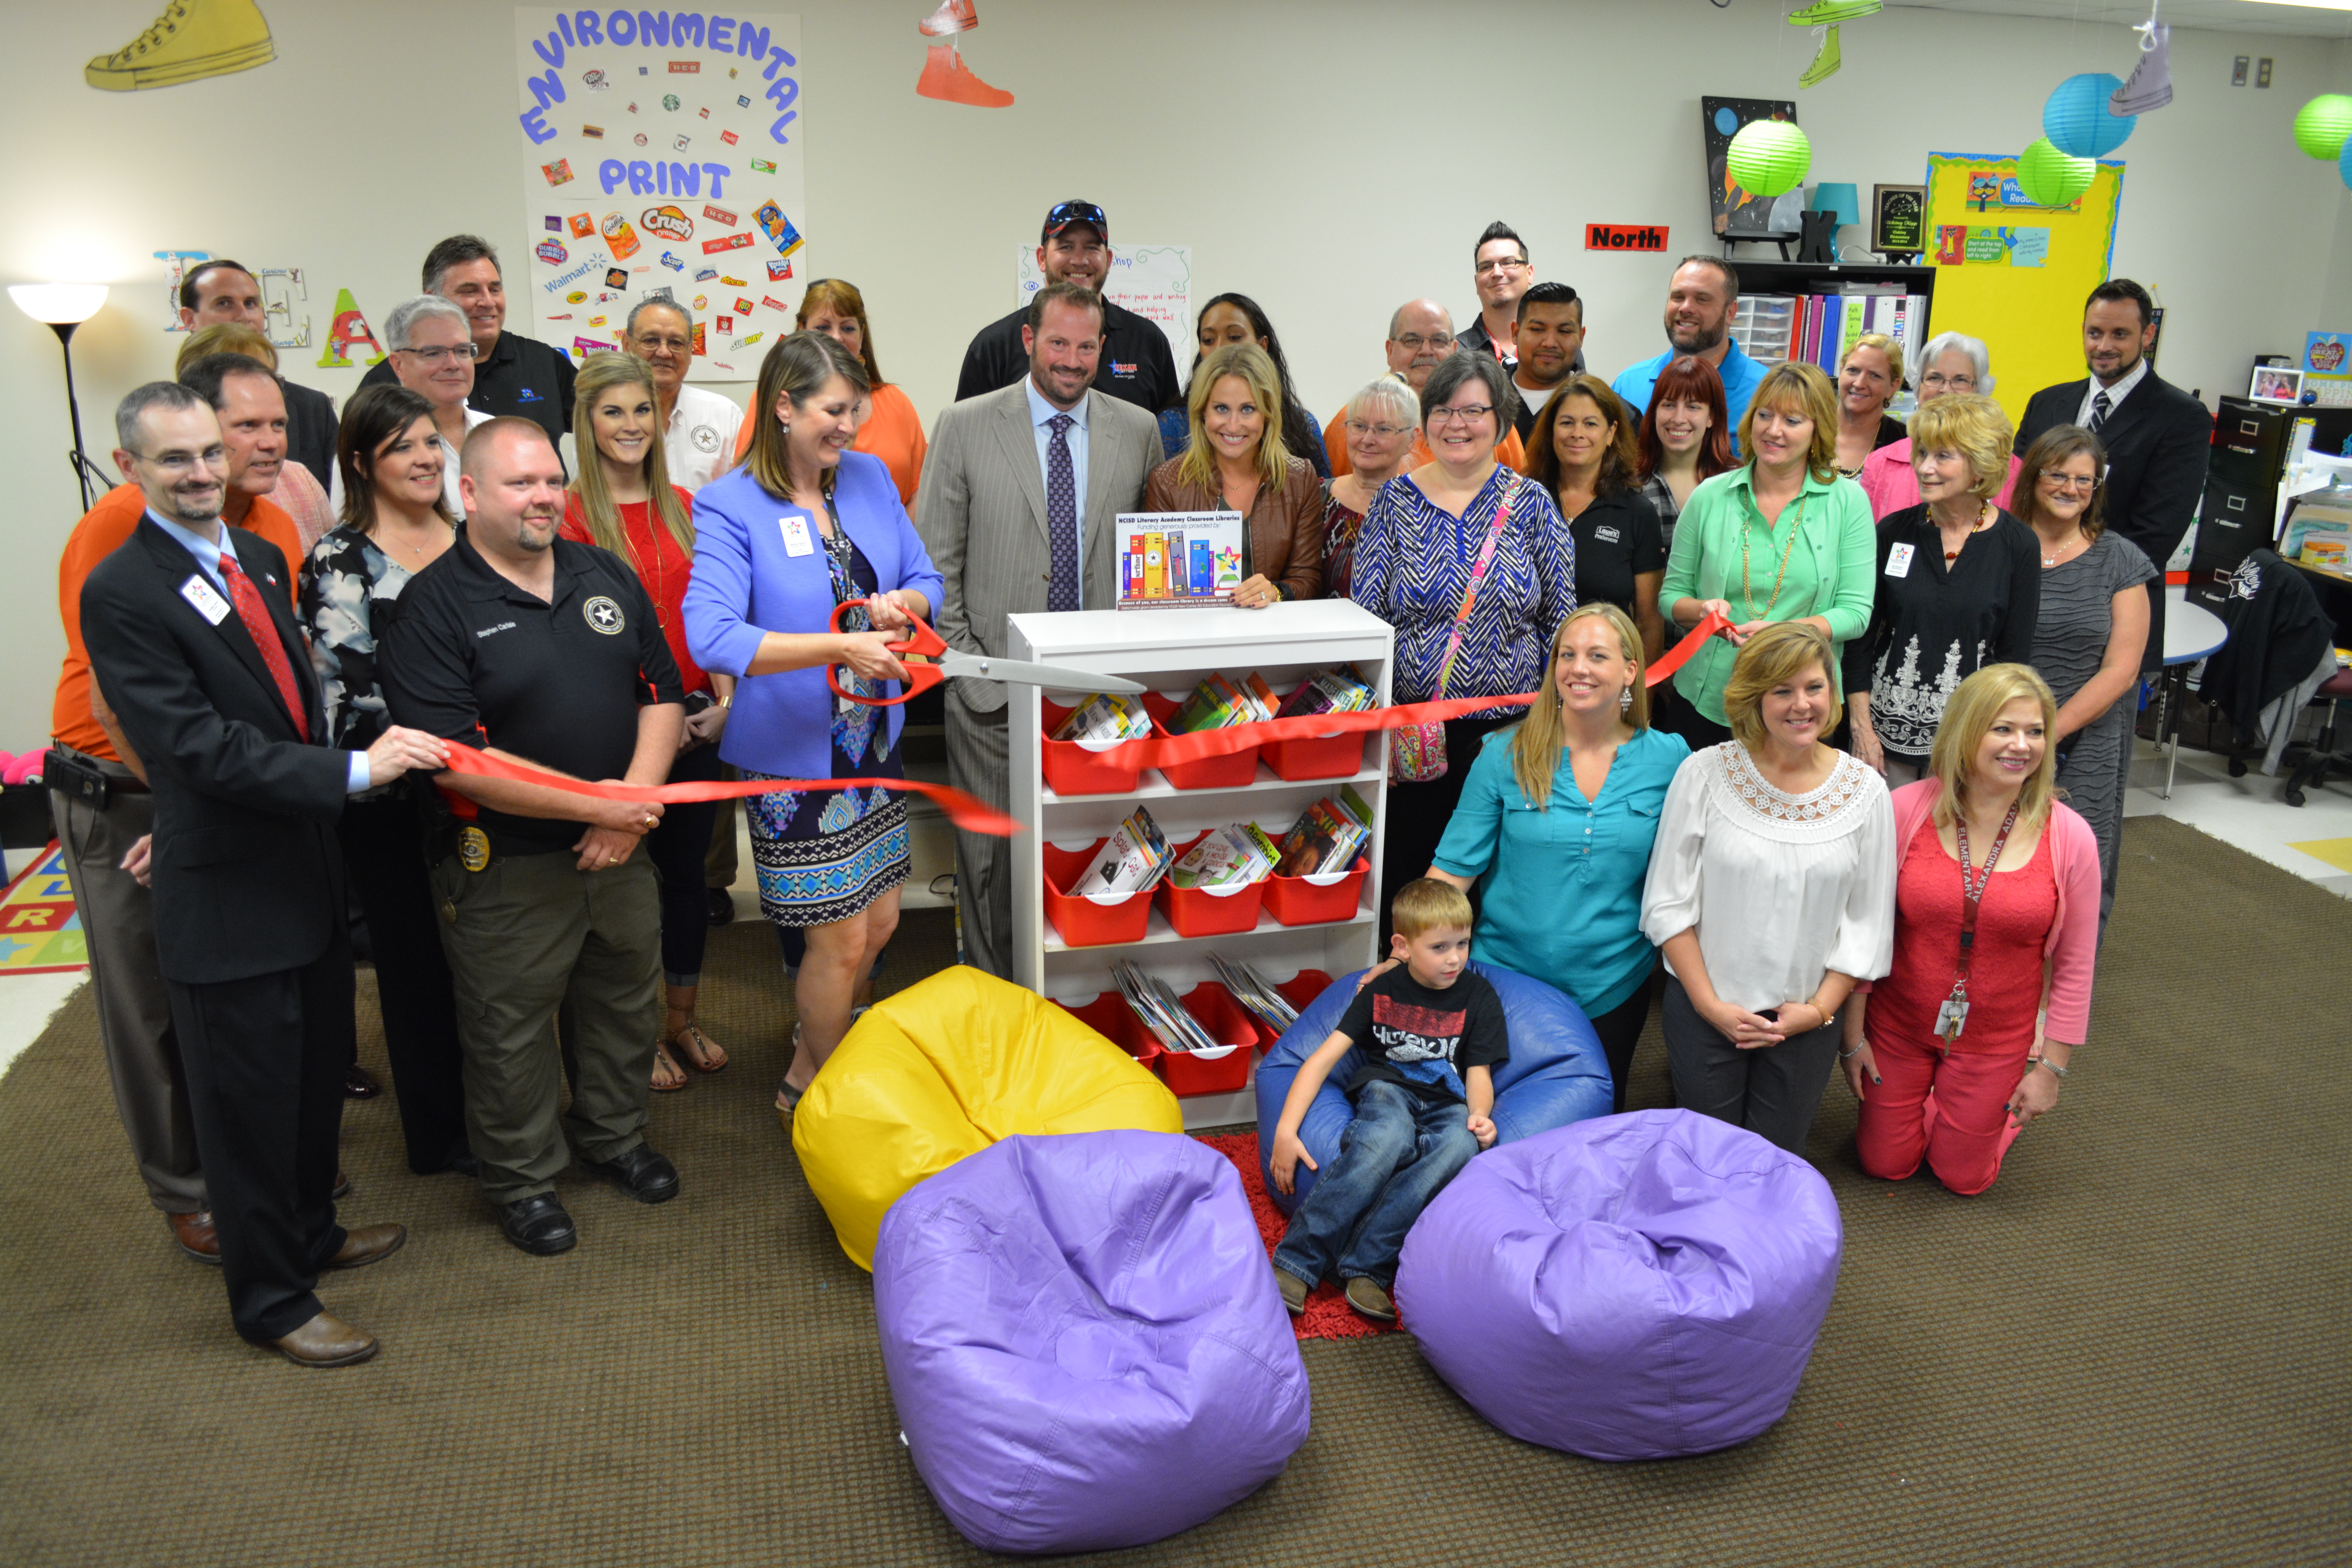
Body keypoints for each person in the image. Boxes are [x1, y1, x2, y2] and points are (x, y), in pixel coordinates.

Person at [82, 381, 445, 1365]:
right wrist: (362, 769)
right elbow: (193, 746)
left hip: (305, 874)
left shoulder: (254, 552)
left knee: (310, 1080)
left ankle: (311, 1235)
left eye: (210, 451)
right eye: (176, 460)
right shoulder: (120, 591)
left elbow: (289, 702)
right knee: (243, 1106)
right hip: (229, 893)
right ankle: (274, 1299)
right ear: (131, 471)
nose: (202, 471)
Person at [379, 419, 687, 1257]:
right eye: (521, 483)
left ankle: (615, 1136)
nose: (545, 496)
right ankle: (521, 1178)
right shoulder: (433, 606)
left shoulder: (603, 572)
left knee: (624, 1003)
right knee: (509, 1029)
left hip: (622, 846)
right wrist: (600, 807)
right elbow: (457, 760)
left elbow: (662, 691)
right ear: (470, 492)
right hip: (507, 866)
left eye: (552, 480)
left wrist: (633, 802)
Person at [45, 364, 309, 1266]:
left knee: (241, 992)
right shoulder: (122, 529)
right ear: (137, 461)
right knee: (153, 1004)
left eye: (275, 425)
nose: (260, 445)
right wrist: (181, 811)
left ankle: (266, 1176)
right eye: (246, 428)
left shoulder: (263, 527)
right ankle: (186, 1190)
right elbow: (121, 691)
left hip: (224, 789)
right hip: (123, 789)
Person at [686, 332, 944, 1116]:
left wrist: (906, 608)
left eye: (855, 410)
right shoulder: (732, 503)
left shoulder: (864, 477)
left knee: (883, 920)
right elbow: (713, 634)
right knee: (835, 942)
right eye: (835, 411)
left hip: (870, 742)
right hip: (794, 757)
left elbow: (926, 576)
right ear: (785, 408)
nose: (850, 427)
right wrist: (841, 645)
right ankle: (840, 1102)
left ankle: (807, 1065)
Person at [912, 283, 1163, 978]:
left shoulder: (1136, 429)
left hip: (1096, 702)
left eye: (1088, 346)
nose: (1073, 360)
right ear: (1029, 341)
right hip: (992, 694)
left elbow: (1141, 562)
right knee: (990, 866)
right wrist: (972, 676)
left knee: (1086, 857)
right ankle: (997, 1001)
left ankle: (1075, 1004)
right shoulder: (964, 425)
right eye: (1059, 342)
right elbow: (938, 567)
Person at [297, 384, 474, 1178]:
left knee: (491, 959)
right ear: (363, 463)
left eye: (431, 442)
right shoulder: (339, 558)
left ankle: (509, 1110)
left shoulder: (473, 537)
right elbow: (348, 691)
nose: (425, 458)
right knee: (417, 968)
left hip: (490, 786)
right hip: (392, 799)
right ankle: (442, 1137)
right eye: (403, 446)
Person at [1842, 664, 2100, 1195]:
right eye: (2003, 728)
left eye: (2035, 732)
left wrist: (2051, 1069)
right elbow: (1866, 930)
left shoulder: (2070, 837)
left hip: (1996, 1038)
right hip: (1899, 1025)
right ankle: (1939, 1102)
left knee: (1964, 1178)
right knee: (1885, 1165)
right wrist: (1852, 1040)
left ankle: (1973, 1115)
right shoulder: (1903, 810)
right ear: (1966, 732)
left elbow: (2076, 965)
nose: (2021, 746)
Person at [1640, 622, 1895, 1156]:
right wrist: (1710, 1007)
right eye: (1782, 691)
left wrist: (1819, 1012)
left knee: (1772, 1163)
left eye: (1814, 687)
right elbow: (1667, 905)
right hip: (1706, 1010)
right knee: (1704, 1158)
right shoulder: (1703, 773)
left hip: (1806, 1019)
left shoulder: (1867, 793)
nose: (1801, 705)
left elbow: (1867, 923)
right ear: (1753, 698)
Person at [1430, 606, 1689, 1112]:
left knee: (1590, 1130)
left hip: (1613, 986)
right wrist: (1405, 956)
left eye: (1597, 656)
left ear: (1631, 670)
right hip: (1505, 981)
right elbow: (1452, 874)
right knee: (1492, 1124)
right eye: (1566, 655)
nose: (1579, 668)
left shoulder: (1671, 759)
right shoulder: (1503, 754)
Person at [558, 352, 734, 1094]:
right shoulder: (566, 515)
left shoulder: (690, 508)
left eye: (641, 412)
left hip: (695, 727)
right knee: (622, 891)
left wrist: (724, 704)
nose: (630, 426)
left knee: (685, 881)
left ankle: (679, 1017)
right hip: (615, 735)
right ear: (587, 422)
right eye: (612, 412)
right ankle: (632, 1033)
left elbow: (715, 617)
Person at [1351, 350, 1573, 936]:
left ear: (1499, 421)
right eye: (1444, 410)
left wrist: (1557, 721)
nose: (1458, 424)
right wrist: (1380, 726)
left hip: (1512, 738)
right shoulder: (1393, 505)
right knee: (1415, 883)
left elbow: (1561, 622)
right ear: (1425, 423)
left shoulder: (1532, 505)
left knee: (1502, 886)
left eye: (1473, 410)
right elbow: (1367, 627)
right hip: (1418, 739)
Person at [1266, 878, 1506, 1325]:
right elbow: (1319, 1062)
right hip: (1388, 1087)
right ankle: (1297, 1260)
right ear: (1404, 945)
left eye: (1463, 943)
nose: (1455, 957)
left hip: (1446, 1101)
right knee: (1387, 1138)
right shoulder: (1382, 991)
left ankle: (1368, 1265)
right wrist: (1286, 1130)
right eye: (1439, 947)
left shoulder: (1479, 996)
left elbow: (1479, 1073)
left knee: (1459, 1146)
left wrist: (1479, 1116)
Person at [1657, 361, 1876, 748]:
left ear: (1817, 430)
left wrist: (1784, 634)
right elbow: (1670, 597)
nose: (1773, 431)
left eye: (1792, 420)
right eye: (1765, 415)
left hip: (1805, 707)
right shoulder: (1710, 495)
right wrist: (1702, 611)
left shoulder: (1849, 502)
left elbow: (1856, 614)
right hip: (1712, 701)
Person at [2015, 278, 2212, 674]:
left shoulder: (2182, 417)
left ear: (2148, 334)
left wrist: (2068, 582)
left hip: (2109, 611)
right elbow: (2016, 498)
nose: (2104, 346)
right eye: (2095, 332)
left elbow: (2156, 533)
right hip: (2026, 597)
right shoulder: (2047, 402)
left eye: (2120, 334)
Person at [1846, 394, 2041, 784]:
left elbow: (2014, 658)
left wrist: (1993, 740)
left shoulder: (2018, 545)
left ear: (1980, 466)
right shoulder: (1892, 531)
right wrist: (1861, 728)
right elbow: (1861, 640)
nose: (1924, 467)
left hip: (1969, 740)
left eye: (1943, 456)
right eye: (1922, 453)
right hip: (1882, 739)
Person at [2016, 425, 2153, 931]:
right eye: (2058, 475)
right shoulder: (2001, 544)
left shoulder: (2120, 560)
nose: (2071, 489)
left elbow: (2123, 670)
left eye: (2085, 480)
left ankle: (2063, 996)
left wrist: (2047, 736)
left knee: (2074, 869)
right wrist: (2016, 735)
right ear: (2034, 476)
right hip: (1996, 729)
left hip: (2086, 739)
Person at [953, 200, 1180, 415]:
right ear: (1042, 258)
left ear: (1109, 260)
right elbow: (969, 440)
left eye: (1091, 248)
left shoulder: (1148, 341)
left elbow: (1174, 444)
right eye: (1066, 247)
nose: (1079, 260)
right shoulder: (992, 347)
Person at [1143, 342, 1322, 605]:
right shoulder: (1167, 483)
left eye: (1248, 409)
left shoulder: (1300, 478)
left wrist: (1276, 591)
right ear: (1202, 411)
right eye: (1222, 409)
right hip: (1196, 636)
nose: (1234, 425)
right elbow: (1155, 585)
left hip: (1274, 636)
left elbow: (1309, 579)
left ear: (1268, 413)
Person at [359, 235, 577, 446]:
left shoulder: (543, 361)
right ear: (432, 299)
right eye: (470, 291)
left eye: (495, 289)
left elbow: (600, 428)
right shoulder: (387, 379)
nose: (488, 301)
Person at [1523, 375, 1666, 666]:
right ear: (1551, 430)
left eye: (1590, 423)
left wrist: (1640, 701)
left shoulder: (1637, 513)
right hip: (1525, 681)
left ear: (1611, 432)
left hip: (1602, 680)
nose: (1578, 433)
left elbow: (1648, 623)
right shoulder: (1522, 502)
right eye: (1566, 422)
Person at [178, 258, 337, 492]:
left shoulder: (312, 408)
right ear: (189, 319)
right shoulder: (170, 414)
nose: (244, 316)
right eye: (224, 304)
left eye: (251, 303)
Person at [1322, 301, 1528, 478]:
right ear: (1390, 350)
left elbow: (1520, 495)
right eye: (1412, 340)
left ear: (1455, 349)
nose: (1426, 351)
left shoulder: (1488, 421)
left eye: (1439, 341)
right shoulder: (1353, 422)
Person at [175, 323, 334, 552]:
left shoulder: (298, 488)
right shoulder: (133, 513)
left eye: (278, 424)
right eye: (249, 425)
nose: (271, 443)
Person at [1159, 293, 1330, 479]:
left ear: (1263, 346)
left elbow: (1324, 496)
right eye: (1208, 340)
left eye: (1234, 337)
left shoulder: (1302, 425)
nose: (1220, 349)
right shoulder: (1172, 425)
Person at [1857, 332, 2020, 519]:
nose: (1946, 390)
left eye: (1961, 380)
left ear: (1979, 391)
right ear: (1918, 388)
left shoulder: (2012, 470)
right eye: (1935, 378)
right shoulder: (1880, 464)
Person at [800, 278, 929, 504]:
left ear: (861, 334)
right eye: (823, 328)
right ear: (802, 330)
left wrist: (898, 535)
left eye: (848, 328)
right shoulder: (778, 400)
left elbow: (924, 486)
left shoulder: (896, 402)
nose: (836, 337)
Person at [1610, 256, 1768, 438]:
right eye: (1678, 297)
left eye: (1702, 299)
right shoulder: (1629, 384)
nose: (1686, 308)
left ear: (1730, 313)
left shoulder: (1764, 392)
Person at [382, 294, 492, 521]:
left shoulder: (496, 432)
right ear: (398, 365)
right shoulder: (374, 443)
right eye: (433, 353)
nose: (453, 364)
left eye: (462, 351)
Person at [622, 298, 741, 494]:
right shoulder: (604, 417)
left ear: (690, 351)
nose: (664, 352)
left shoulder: (726, 415)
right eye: (650, 340)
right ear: (627, 345)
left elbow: (746, 496)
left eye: (676, 343)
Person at [1319, 377, 1419, 602]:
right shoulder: (1316, 499)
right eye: (1359, 426)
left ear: (1412, 439)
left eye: (1383, 429)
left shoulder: (1424, 511)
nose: (1367, 439)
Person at [1633, 354, 1735, 554]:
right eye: (1669, 405)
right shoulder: (1630, 481)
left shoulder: (1736, 483)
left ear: (1711, 417)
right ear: (1655, 411)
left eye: (1693, 407)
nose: (1679, 419)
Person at [1506, 283, 1589, 443]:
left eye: (1564, 331)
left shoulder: (1606, 411)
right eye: (1537, 329)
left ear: (1581, 338)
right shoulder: (1484, 404)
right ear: (1515, 333)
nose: (1550, 343)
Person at [1456, 221, 1542, 368]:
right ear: (1477, 283)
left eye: (1508, 262)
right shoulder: (1456, 353)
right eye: (1486, 267)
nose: (1496, 273)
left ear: (1529, 274)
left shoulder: (1553, 349)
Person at [1832, 332, 1908, 478]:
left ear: (1892, 387)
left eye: (1875, 376)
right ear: (1841, 372)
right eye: (1853, 371)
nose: (1859, 383)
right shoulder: (1809, 429)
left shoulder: (1905, 443)